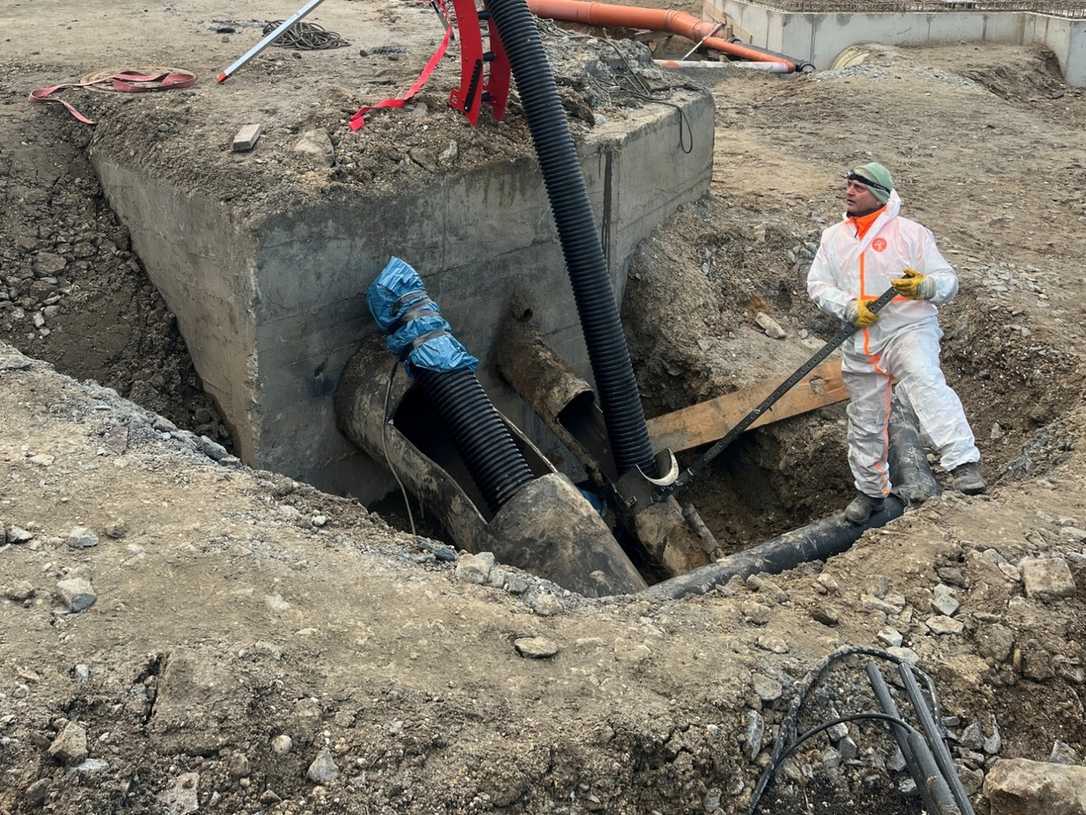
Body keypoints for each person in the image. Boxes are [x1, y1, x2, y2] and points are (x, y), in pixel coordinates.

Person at [807, 162, 985, 524]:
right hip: (861, 338)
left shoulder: (911, 234)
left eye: (859, 186)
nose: (850, 191)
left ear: (881, 194)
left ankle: (963, 463)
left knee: (923, 378)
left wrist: (925, 286)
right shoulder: (834, 237)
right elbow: (818, 285)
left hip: (909, 329)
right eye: (849, 185)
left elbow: (946, 279)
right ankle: (870, 493)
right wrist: (848, 306)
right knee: (865, 418)